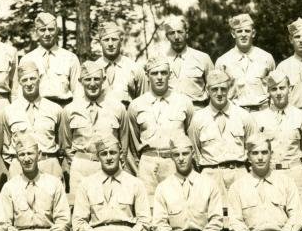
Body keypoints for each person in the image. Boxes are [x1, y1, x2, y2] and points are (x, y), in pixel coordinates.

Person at [128, 58, 196, 196]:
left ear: (169, 74)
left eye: (163, 73)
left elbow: (191, 136)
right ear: (147, 75)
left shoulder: (184, 102)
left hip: (175, 163)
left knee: (177, 202)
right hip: (147, 165)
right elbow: (133, 143)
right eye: (154, 73)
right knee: (148, 205)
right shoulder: (136, 105)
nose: (159, 77)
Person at [67, 60, 132, 196]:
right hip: (81, 167)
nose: (92, 84)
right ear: (80, 81)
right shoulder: (70, 109)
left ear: (103, 79)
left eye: (97, 79)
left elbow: (124, 144)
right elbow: (66, 145)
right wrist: (78, 161)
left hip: (110, 166)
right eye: (88, 79)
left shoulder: (118, 108)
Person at [188, 69, 256, 190]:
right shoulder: (198, 118)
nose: (219, 93)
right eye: (214, 89)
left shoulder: (243, 116)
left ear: (229, 89)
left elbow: (254, 148)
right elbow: (194, 153)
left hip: (239, 174)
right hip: (210, 175)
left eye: (223, 89)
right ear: (207, 90)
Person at [3, 60, 68, 183]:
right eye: (24, 80)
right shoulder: (9, 111)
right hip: (19, 167)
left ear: (40, 79)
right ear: (20, 82)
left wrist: (52, 161)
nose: (29, 83)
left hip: (49, 165)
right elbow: (6, 147)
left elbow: (63, 144)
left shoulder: (55, 109)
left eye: (32, 78)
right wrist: (15, 163)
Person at [253, 71, 302, 188]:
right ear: (268, 91)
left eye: (282, 88)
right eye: (274, 89)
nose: (278, 93)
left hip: (295, 174)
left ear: (289, 89)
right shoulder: (258, 118)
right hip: (270, 174)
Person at [215, 14, 276, 111]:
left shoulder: (266, 58)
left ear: (253, 33)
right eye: (239, 31)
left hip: (262, 112)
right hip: (234, 113)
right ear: (233, 34)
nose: (243, 35)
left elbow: (275, 89)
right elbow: (217, 93)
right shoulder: (223, 61)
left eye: (247, 31)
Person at [18, 12, 79, 105]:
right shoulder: (27, 59)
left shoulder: (70, 58)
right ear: (36, 32)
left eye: (51, 29)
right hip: (38, 108)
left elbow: (77, 91)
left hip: (64, 107)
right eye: (42, 30)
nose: (47, 34)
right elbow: (21, 93)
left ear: (57, 30)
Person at [158, 16, 213, 107]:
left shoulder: (203, 58)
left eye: (180, 32)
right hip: (169, 110)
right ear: (167, 36)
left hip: (197, 110)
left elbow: (214, 88)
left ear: (186, 33)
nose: (176, 37)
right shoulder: (160, 60)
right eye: (172, 33)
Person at [90, 21, 143, 105]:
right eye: (106, 40)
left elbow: (144, 103)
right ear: (100, 42)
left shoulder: (134, 68)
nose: (110, 44)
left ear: (121, 41)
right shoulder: (92, 69)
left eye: (114, 39)